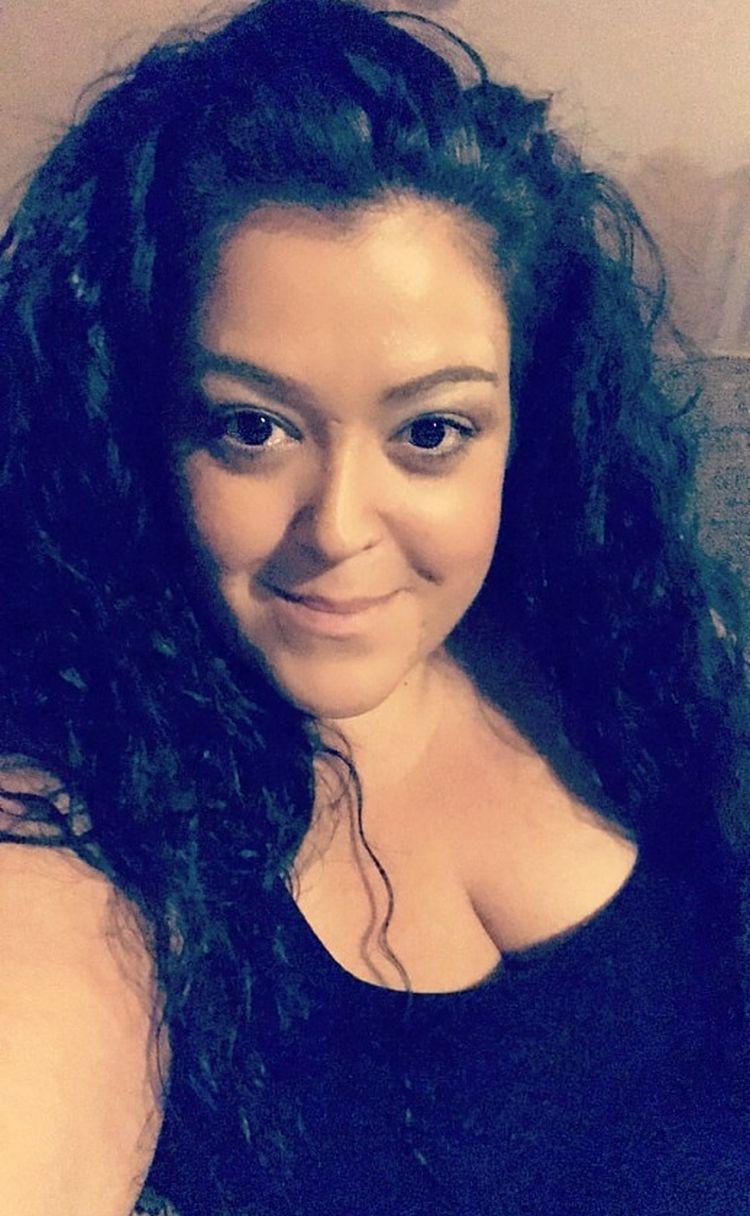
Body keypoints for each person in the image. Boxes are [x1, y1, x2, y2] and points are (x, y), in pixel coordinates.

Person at [0, 0, 748, 1212]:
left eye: (432, 432)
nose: (339, 527)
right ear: (133, 430)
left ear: (531, 424)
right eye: (253, 428)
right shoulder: (82, 810)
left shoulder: (637, 646)